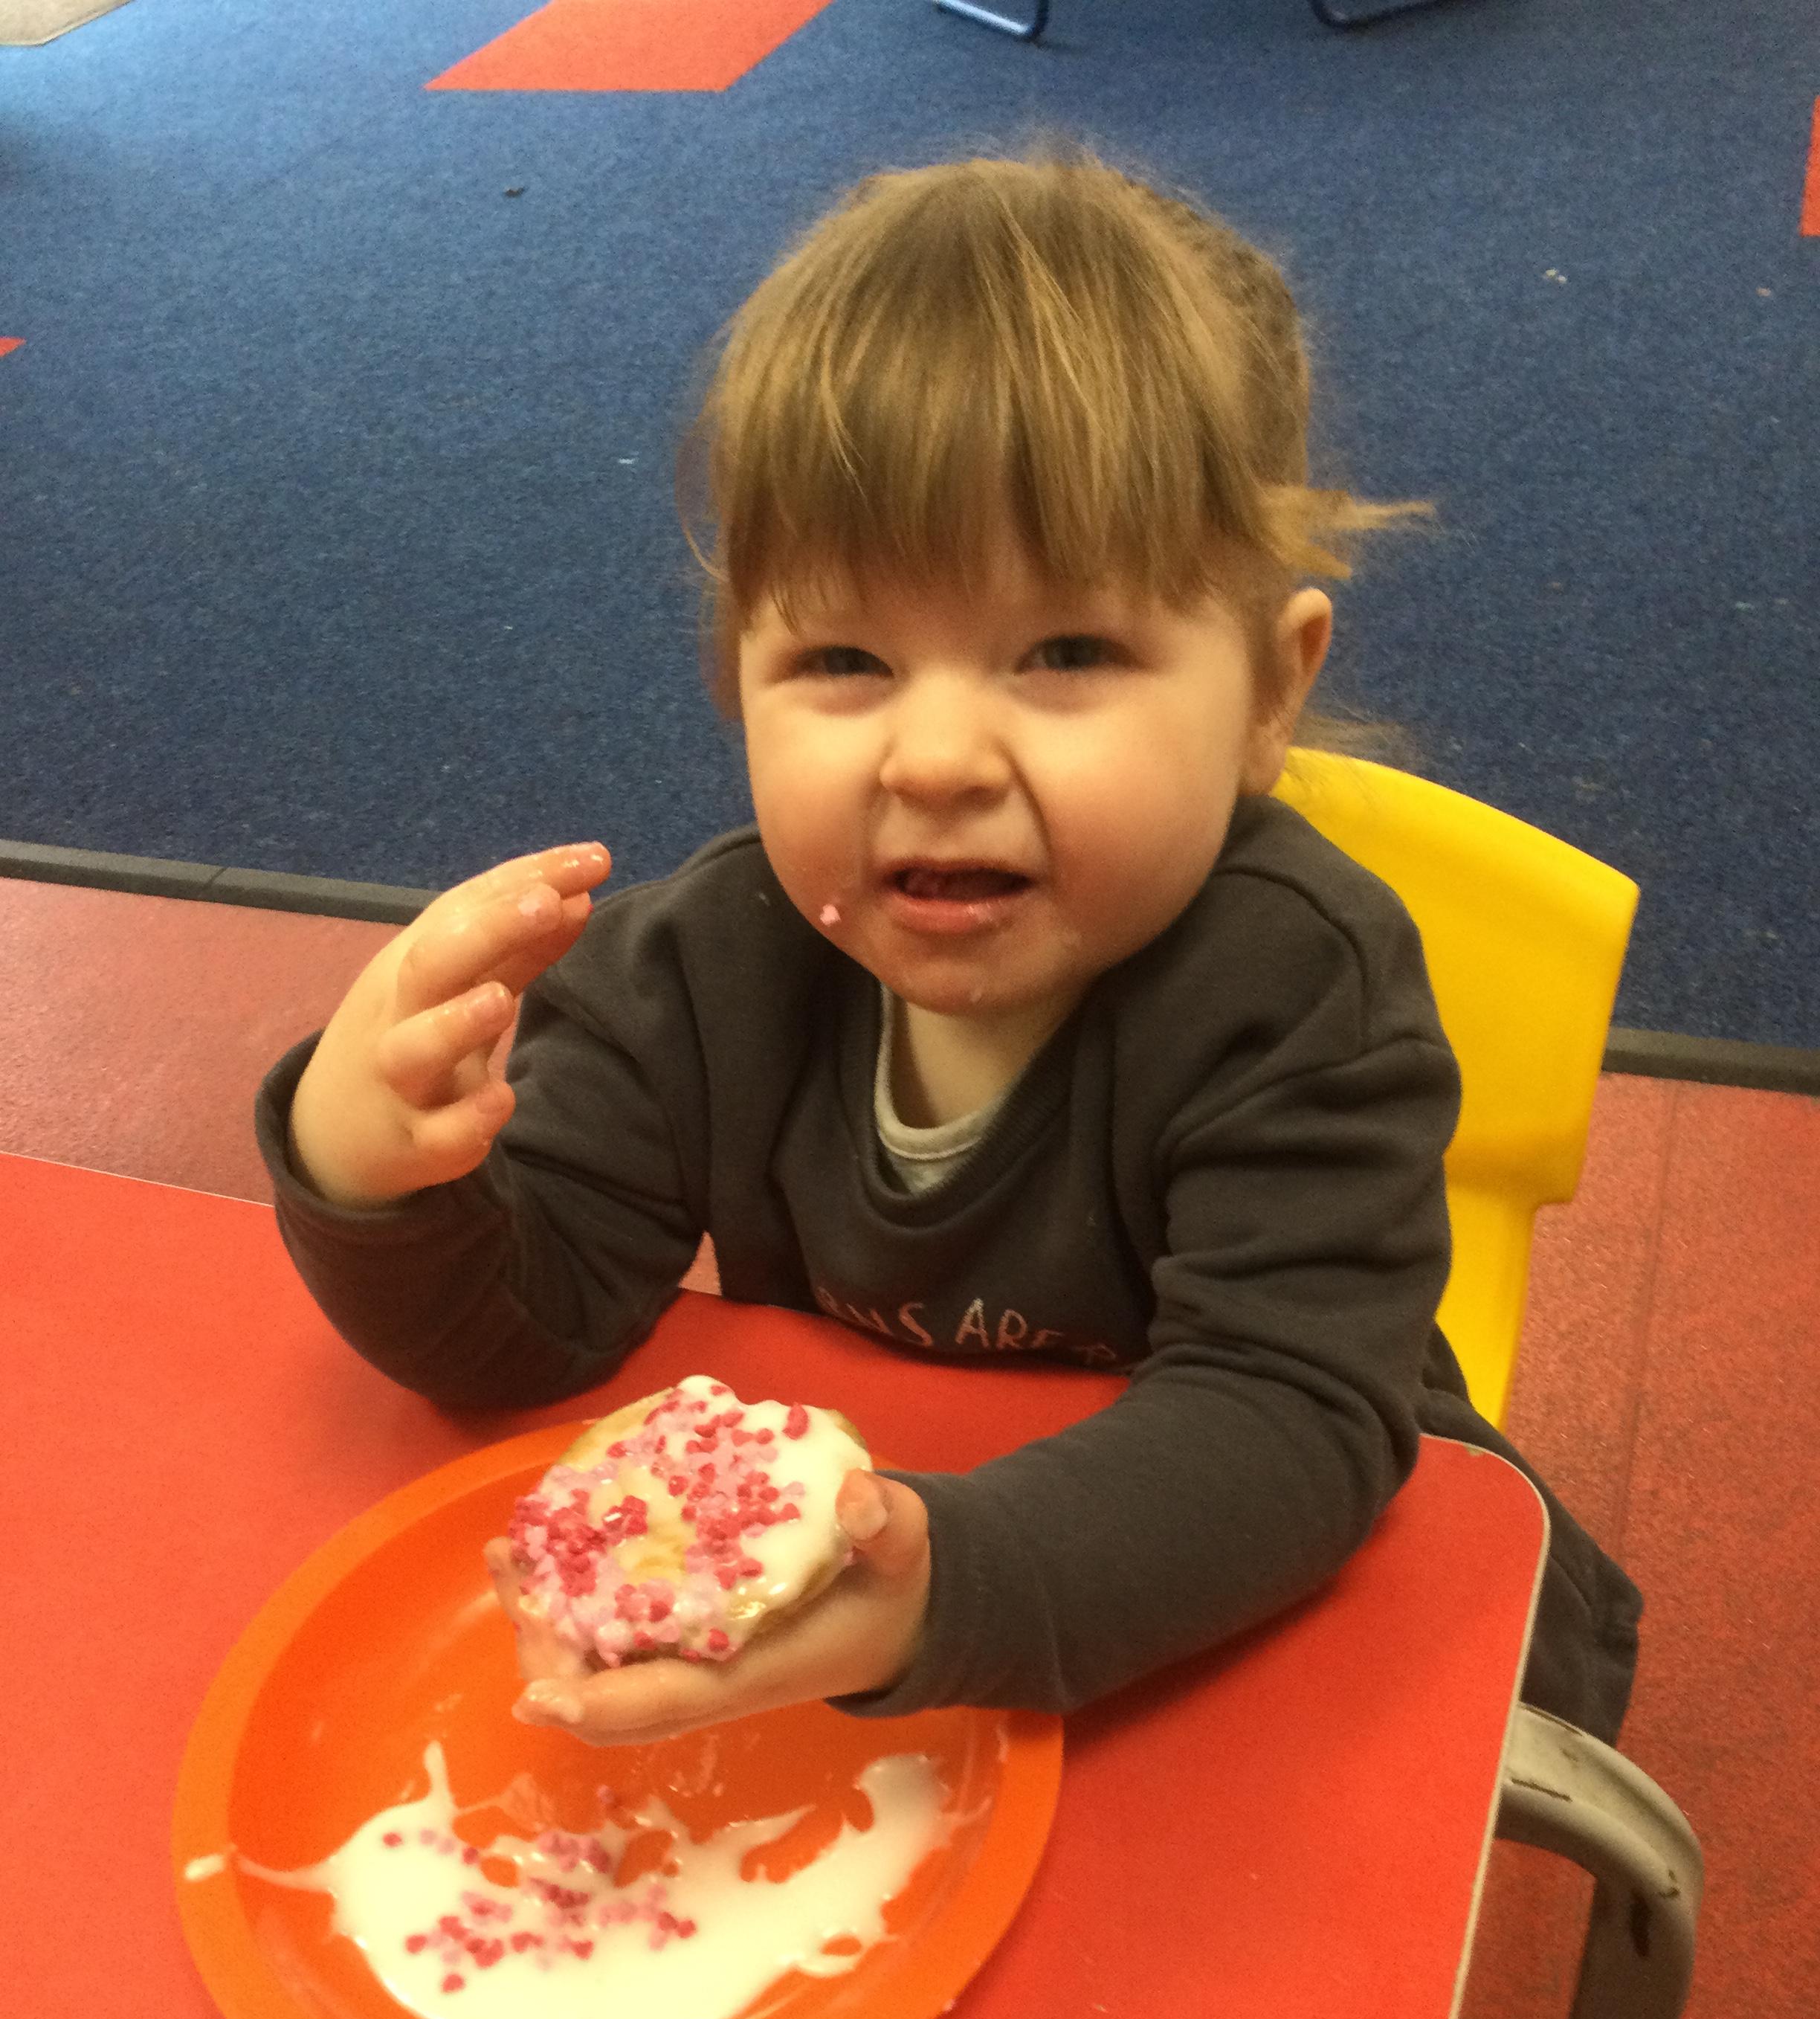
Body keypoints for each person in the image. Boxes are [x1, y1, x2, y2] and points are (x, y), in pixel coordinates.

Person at [258, 149, 1641, 1751]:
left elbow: (1286, 1419)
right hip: (909, 1626)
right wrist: (371, 1175)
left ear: (1270, 689)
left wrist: (944, 1587)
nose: (933, 759)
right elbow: (527, 1331)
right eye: (844, 659)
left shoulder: (1294, 991)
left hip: (1267, 1590)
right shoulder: (699, 972)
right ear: (738, 680)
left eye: (1064, 651)